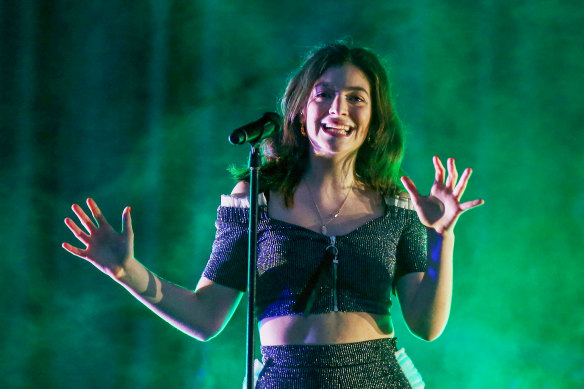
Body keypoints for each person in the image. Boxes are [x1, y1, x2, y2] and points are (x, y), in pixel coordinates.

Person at [63, 42, 484, 388]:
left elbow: (426, 325)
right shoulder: (255, 198)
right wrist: (127, 271)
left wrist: (442, 237)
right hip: (284, 378)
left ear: (374, 121)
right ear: (301, 111)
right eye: (324, 94)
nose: (338, 108)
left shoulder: (396, 203)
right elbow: (206, 316)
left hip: (376, 377)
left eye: (356, 98)